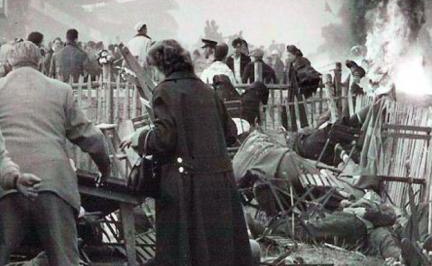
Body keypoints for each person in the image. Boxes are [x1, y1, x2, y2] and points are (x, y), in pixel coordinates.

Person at [122, 40, 253, 266]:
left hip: (186, 184)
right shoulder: (207, 91)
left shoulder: (164, 90)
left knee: (183, 252)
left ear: (162, 65)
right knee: (218, 250)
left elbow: (165, 138)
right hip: (219, 181)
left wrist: (140, 137)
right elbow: (230, 132)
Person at [0, 41, 111, 266]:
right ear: (40, 60)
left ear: (9, 62)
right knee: (65, 259)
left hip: (7, 185)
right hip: (53, 184)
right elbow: (92, 138)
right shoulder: (61, 90)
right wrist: (104, 168)